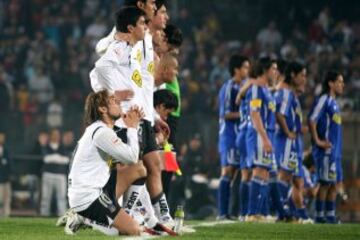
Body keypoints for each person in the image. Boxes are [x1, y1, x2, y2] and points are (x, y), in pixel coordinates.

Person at [67, 90, 149, 236]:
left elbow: (130, 160)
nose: (118, 102)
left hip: (97, 189)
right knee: (134, 231)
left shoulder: (100, 130)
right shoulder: (101, 132)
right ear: (102, 109)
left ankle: (123, 215)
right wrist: (132, 127)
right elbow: (131, 156)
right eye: (113, 100)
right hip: (88, 198)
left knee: (139, 169)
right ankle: (87, 219)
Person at [308, 71, 344, 223]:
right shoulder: (324, 99)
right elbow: (312, 119)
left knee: (334, 185)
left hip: (335, 152)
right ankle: (319, 216)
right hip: (326, 151)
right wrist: (317, 141)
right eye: (339, 81)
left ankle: (329, 215)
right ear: (330, 83)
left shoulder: (335, 104)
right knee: (324, 184)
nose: (342, 85)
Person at [245, 57, 277, 222]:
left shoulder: (266, 91)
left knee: (265, 172)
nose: (276, 72)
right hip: (259, 134)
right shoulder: (257, 88)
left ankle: (261, 212)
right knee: (259, 170)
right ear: (265, 70)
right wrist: (264, 139)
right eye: (273, 69)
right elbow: (255, 113)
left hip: (267, 134)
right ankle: (252, 213)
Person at [217, 55, 249, 220]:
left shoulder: (244, 86)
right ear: (236, 69)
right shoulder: (229, 87)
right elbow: (226, 114)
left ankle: (234, 212)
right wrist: (246, 114)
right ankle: (222, 213)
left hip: (240, 136)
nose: (247, 71)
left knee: (238, 173)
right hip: (229, 135)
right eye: (245, 67)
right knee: (228, 171)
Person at [40, 128, 69, 217]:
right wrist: (58, 157)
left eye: (57, 134)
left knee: (61, 197)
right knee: (46, 197)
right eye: (54, 134)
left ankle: (62, 215)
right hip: (48, 174)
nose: (56, 136)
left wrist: (53, 157)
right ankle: (44, 215)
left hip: (60, 175)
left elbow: (66, 160)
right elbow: (46, 159)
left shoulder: (62, 147)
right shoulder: (46, 146)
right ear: (50, 135)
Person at [0, 132, 12, 217]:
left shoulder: (6, 150)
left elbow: (10, 164)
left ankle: (6, 215)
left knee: (7, 199)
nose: (1, 139)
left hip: (6, 179)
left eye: (2, 137)